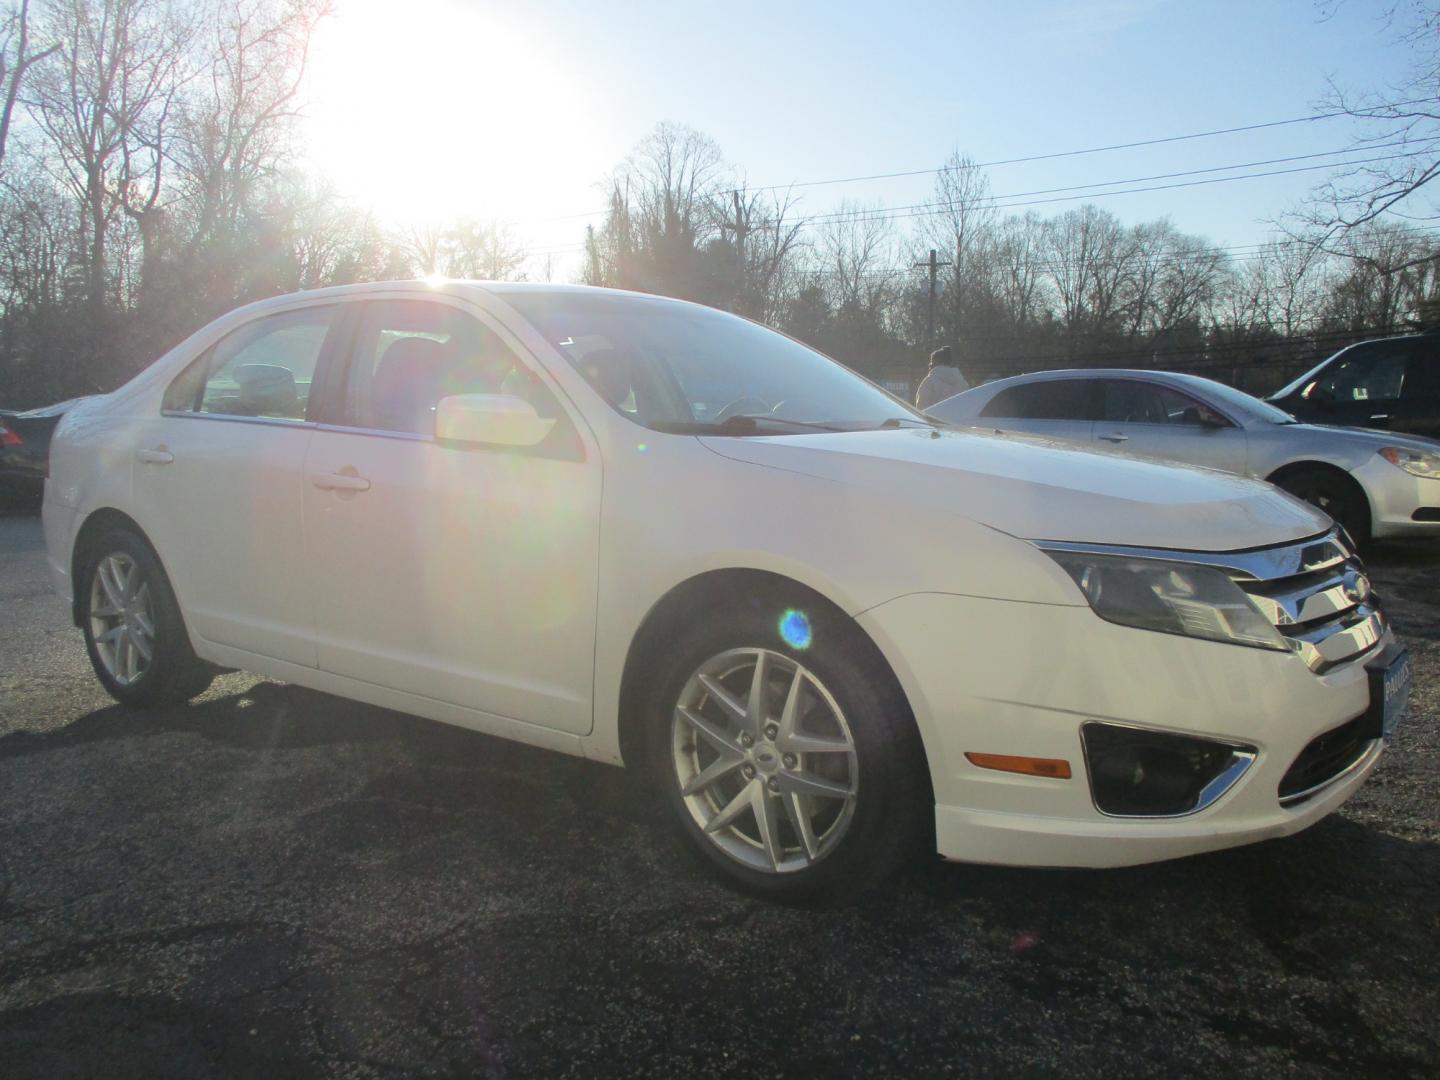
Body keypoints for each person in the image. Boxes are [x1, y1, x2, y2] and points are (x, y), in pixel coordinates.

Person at [914, 345, 969, 410]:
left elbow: (921, 410)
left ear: (936, 362)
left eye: (931, 362)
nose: (930, 365)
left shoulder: (929, 382)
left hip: (934, 420)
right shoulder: (963, 384)